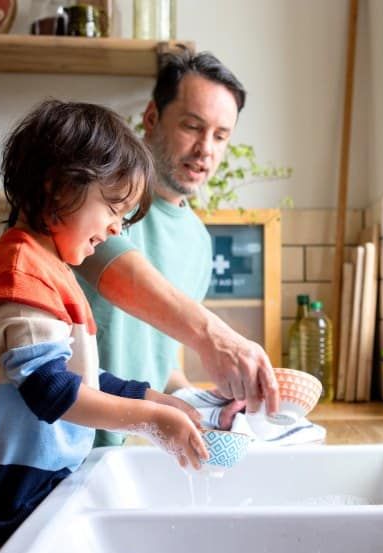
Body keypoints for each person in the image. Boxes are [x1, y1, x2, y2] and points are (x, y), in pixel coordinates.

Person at [0, 100, 209, 553]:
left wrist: (153, 399)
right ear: (57, 187)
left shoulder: (51, 272)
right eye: (113, 207)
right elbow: (52, 393)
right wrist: (151, 422)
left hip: (23, 502)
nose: (116, 229)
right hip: (0, 513)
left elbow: (78, 377)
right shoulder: (21, 276)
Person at [76, 50, 250, 444]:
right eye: (192, 126)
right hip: (22, 457)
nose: (206, 148)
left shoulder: (198, 242)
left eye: (221, 136)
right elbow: (117, 272)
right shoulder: (99, 189)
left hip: (107, 454)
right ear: (152, 118)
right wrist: (216, 337)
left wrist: (200, 403)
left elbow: (160, 365)